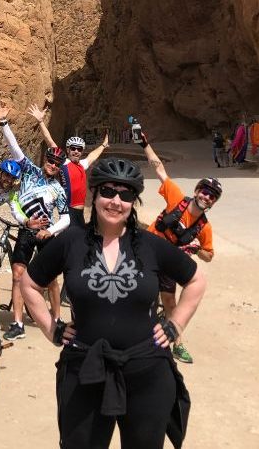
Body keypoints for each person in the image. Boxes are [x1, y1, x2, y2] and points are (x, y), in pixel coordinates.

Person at [20, 157, 206, 449]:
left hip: (147, 370)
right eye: (108, 191)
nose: (116, 201)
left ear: (134, 201)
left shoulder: (150, 244)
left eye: (126, 194)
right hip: (85, 368)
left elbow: (196, 280)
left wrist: (175, 324)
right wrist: (51, 328)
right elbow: (29, 283)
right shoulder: (71, 241)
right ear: (94, 195)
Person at [141, 133, 220, 364]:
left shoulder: (205, 227)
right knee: (135, 290)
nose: (207, 197)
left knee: (169, 302)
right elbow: (159, 170)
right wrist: (145, 144)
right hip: (148, 249)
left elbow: (209, 256)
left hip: (168, 260)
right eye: (205, 192)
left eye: (212, 196)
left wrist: (196, 249)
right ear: (197, 191)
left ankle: (178, 344)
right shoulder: (177, 199)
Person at [0, 104, 70, 341]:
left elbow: (67, 217)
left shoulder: (58, 188)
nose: (53, 165)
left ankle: (57, 318)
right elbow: (15, 148)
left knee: (50, 280)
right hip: (26, 230)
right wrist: (3, 123)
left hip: (46, 234)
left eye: (57, 164)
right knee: (18, 275)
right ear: (45, 159)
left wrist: (50, 230)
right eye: (50, 160)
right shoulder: (30, 171)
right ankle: (18, 323)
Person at [27, 104, 110, 228]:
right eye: (73, 148)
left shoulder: (82, 165)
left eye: (79, 149)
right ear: (68, 149)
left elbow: (92, 156)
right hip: (68, 210)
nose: (76, 151)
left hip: (80, 212)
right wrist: (40, 122)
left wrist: (103, 145)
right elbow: (50, 141)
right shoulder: (64, 162)